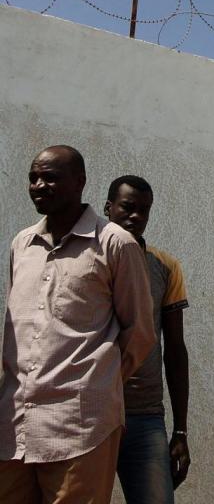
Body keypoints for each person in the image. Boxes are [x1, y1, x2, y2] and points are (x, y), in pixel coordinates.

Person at [0, 145, 155, 503]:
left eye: (50, 177)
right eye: (33, 178)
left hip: (80, 426)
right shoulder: (22, 244)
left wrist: (97, 383)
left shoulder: (115, 243)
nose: (39, 185)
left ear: (80, 182)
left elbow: (140, 333)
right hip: (15, 425)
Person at [104, 175, 190, 502]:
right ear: (108, 208)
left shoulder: (164, 266)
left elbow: (175, 350)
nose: (135, 216)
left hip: (144, 416)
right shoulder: (89, 261)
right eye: (127, 207)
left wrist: (180, 430)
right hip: (93, 412)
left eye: (144, 210)